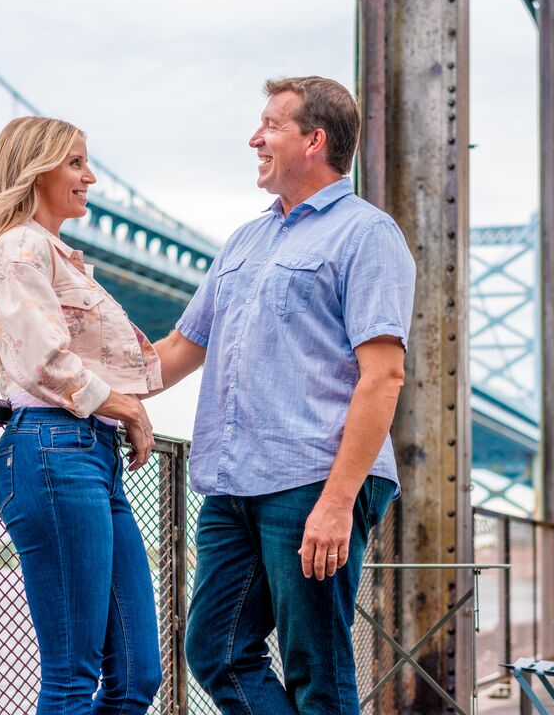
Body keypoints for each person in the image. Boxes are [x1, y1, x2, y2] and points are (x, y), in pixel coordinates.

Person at [149, 76, 416, 713]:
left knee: (316, 672)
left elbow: (384, 376)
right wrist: (77, 372)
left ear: (313, 140)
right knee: (214, 650)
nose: (254, 137)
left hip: (312, 480)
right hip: (232, 484)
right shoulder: (245, 240)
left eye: (270, 125)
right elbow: (179, 351)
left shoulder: (367, 235)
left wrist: (337, 502)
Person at [0, 116, 163, 714]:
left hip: (91, 458)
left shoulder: (58, 256)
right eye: (75, 163)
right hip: (53, 454)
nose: (90, 177)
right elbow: (38, 356)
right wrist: (124, 406)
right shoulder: (18, 247)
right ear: (35, 169)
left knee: (135, 677)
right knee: (72, 677)